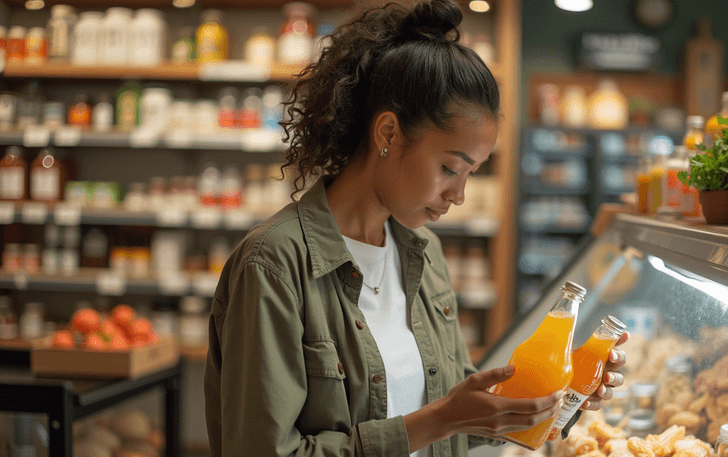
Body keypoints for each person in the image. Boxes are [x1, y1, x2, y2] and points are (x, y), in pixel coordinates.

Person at [204, 1, 629, 456]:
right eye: (449, 168)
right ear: (387, 133)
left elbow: (464, 420)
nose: (458, 195)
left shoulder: (423, 251)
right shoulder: (275, 264)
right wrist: (436, 421)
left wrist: (563, 397)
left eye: (472, 173)